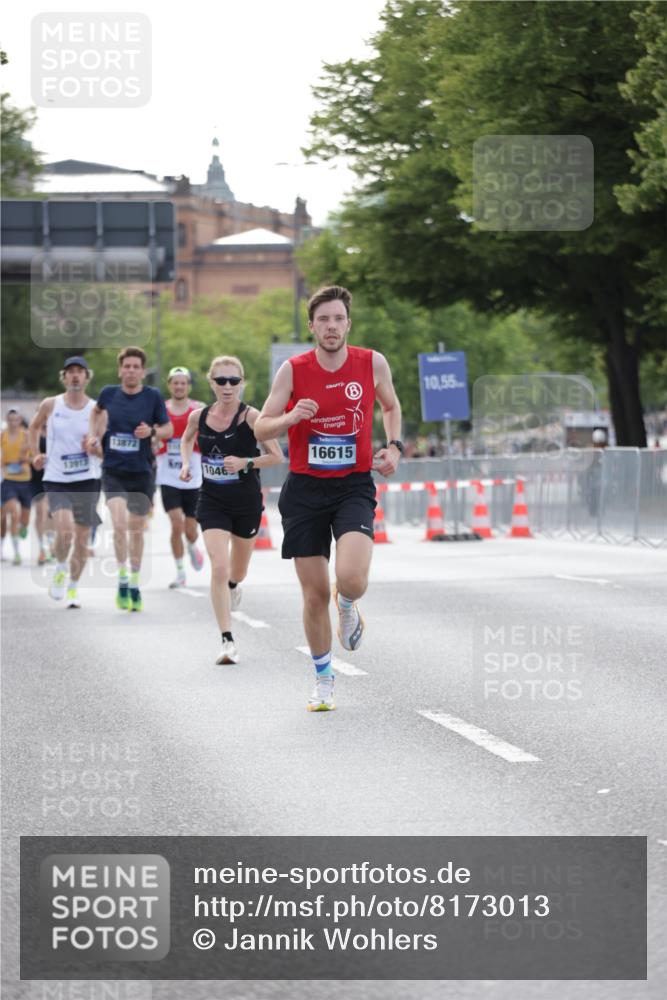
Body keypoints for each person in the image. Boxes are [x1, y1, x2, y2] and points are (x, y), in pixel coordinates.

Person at [254, 285, 402, 712]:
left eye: (338, 319)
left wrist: (393, 446)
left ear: (348, 323)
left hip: (353, 483)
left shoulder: (371, 363)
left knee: (351, 578)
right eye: (323, 320)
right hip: (304, 488)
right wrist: (290, 417)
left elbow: (390, 406)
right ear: (312, 326)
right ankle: (323, 678)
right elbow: (261, 428)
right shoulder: (293, 370)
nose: (332, 326)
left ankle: (349, 600)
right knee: (314, 593)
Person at [180, 355, 283, 664]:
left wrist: (245, 463)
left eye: (233, 381)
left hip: (246, 503)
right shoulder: (198, 416)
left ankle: (235, 585)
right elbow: (186, 441)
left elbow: (276, 456)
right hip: (212, 501)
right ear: (212, 383)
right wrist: (186, 464)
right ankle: (227, 640)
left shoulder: (252, 418)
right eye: (221, 381)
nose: (227, 387)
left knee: (237, 572)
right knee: (219, 567)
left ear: (242, 384)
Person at [86, 346, 172, 612]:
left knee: (136, 529)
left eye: (136, 366)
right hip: (113, 470)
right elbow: (95, 412)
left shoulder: (153, 396)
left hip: (143, 472)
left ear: (143, 371)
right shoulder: (108, 394)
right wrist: (92, 435)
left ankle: (134, 580)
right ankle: (122, 578)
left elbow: (168, 429)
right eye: (127, 366)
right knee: (119, 524)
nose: (131, 370)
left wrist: (152, 431)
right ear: (120, 369)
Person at [29, 357, 102, 608]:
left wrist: (94, 448)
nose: (75, 376)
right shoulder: (51, 404)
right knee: (65, 531)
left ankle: (73, 587)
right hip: (57, 477)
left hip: (87, 478)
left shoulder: (96, 409)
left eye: (79, 372)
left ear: (86, 377)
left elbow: (104, 446)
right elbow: (34, 427)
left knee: (82, 540)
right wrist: (34, 455)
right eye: (70, 372)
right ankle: (60, 566)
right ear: (64, 377)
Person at [156, 366, 205, 588]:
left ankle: (193, 546)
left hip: (193, 479)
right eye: (175, 382)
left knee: (190, 529)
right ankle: (180, 572)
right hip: (169, 477)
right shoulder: (161, 411)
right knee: (176, 525)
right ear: (169, 385)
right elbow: (154, 439)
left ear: (188, 386)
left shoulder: (198, 410)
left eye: (182, 382)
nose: (178, 386)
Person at [0, 409, 32, 565]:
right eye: (10, 420)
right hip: (8, 480)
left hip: (25, 480)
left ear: (20, 421)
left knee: (24, 520)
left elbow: (34, 456)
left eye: (16, 420)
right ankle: (17, 552)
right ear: (7, 420)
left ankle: (23, 527)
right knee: (13, 513)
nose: (13, 423)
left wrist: (26, 460)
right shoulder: (2, 435)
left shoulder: (26, 436)